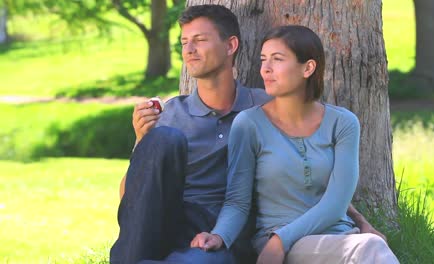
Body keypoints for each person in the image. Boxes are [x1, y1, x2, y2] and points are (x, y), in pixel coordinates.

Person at [110, 5, 387, 264]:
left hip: (225, 229)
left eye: (200, 40)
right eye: (184, 42)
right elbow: (132, 200)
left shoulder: (265, 108)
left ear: (231, 45)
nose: (189, 50)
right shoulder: (170, 113)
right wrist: (141, 141)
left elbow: (316, 178)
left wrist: (363, 223)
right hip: (173, 217)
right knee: (163, 138)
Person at [190, 25, 399, 264]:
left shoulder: (343, 123)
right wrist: (219, 236)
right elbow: (238, 200)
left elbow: (336, 203)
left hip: (339, 239)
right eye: (263, 59)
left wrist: (281, 239)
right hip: (278, 245)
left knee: (368, 246)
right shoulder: (248, 124)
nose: (266, 69)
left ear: (308, 68)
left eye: (277, 59)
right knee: (370, 247)